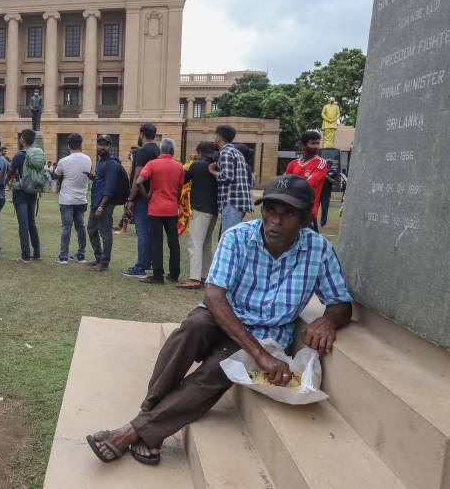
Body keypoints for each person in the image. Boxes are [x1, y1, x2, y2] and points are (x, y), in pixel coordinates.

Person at [86, 174, 353, 466]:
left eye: (288, 214)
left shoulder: (318, 249)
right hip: (222, 316)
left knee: (216, 371)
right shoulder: (238, 237)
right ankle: (147, 418)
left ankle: (134, 430)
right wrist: (260, 356)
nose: (275, 221)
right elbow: (214, 297)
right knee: (191, 329)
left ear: (305, 219)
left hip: (267, 332)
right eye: (270, 211)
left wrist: (328, 320)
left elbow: (341, 302)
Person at [139, 139, 185, 285]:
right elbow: (179, 188)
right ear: (172, 151)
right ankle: (174, 274)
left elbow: (138, 181)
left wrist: (146, 197)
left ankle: (158, 275)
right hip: (171, 209)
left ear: (160, 150)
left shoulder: (152, 164)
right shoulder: (179, 167)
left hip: (155, 208)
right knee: (173, 242)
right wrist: (174, 199)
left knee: (156, 241)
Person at [123, 123, 160, 278]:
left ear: (142, 134)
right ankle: (149, 262)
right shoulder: (158, 150)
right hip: (154, 196)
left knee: (142, 231)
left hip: (141, 196)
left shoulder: (142, 151)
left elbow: (138, 176)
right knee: (150, 232)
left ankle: (141, 266)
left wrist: (131, 198)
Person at [181, 142, 219, 289]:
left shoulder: (196, 165)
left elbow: (183, 179)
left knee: (195, 243)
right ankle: (204, 275)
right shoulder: (217, 166)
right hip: (213, 209)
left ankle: (194, 278)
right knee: (206, 244)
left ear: (200, 153)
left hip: (200, 209)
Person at [6, 128, 44, 262]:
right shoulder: (38, 153)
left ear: (22, 139)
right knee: (32, 222)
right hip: (33, 190)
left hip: (21, 191)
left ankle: (25, 255)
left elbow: (11, 172)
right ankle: (37, 253)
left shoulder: (19, 155)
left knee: (23, 224)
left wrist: (6, 181)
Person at [54, 133, 91, 264]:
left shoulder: (64, 161)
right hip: (81, 199)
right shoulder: (88, 159)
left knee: (66, 227)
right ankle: (81, 254)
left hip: (66, 199)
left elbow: (56, 175)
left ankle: (63, 256)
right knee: (80, 227)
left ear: (68, 145)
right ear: (81, 144)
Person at [210, 124, 253, 236]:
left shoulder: (225, 152)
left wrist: (212, 171)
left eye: (216, 136)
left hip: (232, 202)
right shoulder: (236, 152)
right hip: (239, 202)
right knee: (232, 237)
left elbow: (227, 176)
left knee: (228, 238)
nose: (215, 139)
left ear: (219, 137)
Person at [87, 136, 122, 271]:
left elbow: (110, 188)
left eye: (105, 145)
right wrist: (94, 178)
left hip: (105, 203)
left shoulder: (112, 163)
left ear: (110, 147)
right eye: (100, 144)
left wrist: (101, 207)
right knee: (91, 229)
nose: (102, 147)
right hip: (96, 201)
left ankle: (104, 262)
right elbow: (103, 180)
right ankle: (99, 258)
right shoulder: (101, 161)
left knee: (105, 233)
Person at [285, 130, 329, 232]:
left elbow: (306, 185)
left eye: (318, 143)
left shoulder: (321, 163)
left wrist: (291, 184)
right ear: (303, 145)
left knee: (308, 243)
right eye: (313, 143)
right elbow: (283, 183)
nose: (316, 146)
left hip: (307, 211)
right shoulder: (293, 163)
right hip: (290, 207)